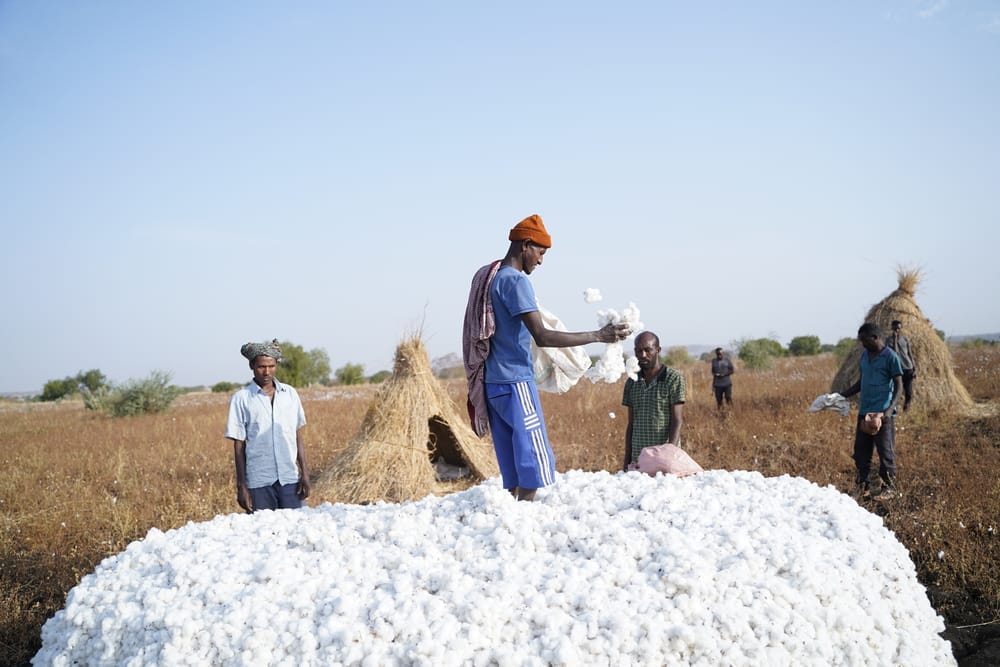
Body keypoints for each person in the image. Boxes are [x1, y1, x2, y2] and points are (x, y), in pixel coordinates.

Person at [463, 214, 630, 501]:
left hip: (493, 384)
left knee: (513, 457)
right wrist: (599, 336)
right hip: (516, 383)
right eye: (540, 253)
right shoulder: (515, 282)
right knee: (532, 454)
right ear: (525, 245)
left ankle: (514, 516)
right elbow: (543, 336)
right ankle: (526, 515)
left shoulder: (489, 277)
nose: (540, 261)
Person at [225, 339, 311, 513]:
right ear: (251, 366)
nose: (266, 372)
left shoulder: (290, 394)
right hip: (259, 482)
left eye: (271, 366)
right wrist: (242, 486)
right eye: (261, 367)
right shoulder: (242, 398)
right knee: (265, 534)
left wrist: (305, 474)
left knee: (295, 530)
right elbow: (239, 445)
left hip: (290, 479)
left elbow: (296, 436)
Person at [839, 322, 903, 501]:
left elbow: (899, 385)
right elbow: (861, 382)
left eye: (865, 340)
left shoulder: (890, 357)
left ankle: (889, 488)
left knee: (886, 453)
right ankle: (863, 486)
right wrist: (842, 395)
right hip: (864, 411)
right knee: (861, 452)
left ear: (876, 338)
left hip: (882, 414)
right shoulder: (864, 356)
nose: (863, 344)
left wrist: (889, 410)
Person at [622, 331, 686, 471]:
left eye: (648, 350)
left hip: (663, 456)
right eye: (639, 351)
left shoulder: (673, 378)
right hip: (638, 457)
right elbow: (631, 423)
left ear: (658, 350)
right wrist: (627, 458)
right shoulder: (632, 381)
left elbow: (677, 420)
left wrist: (670, 453)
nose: (643, 355)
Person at [885, 319, 917, 411]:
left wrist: (914, 368)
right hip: (897, 369)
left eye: (898, 328)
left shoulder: (905, 339)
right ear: (892, 328)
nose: (897, 330)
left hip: (908, 367)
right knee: (897, 390)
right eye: (895, 328)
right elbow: (895, 353)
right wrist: (895, 340)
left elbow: (910, 354)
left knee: (909, 392)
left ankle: (906, 408)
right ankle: (893, 408)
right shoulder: (888, 341)